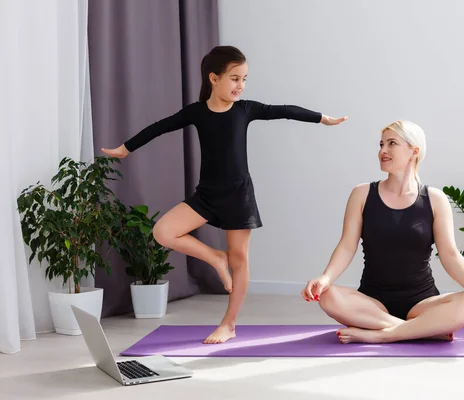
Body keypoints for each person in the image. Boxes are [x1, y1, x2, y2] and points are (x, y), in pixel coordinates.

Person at [102, 45, 347, 344]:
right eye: (234, 78)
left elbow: (284, 111)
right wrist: (125, 149)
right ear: (214, 78)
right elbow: (160, 127)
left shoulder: (245, 109)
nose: (240, 85)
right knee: (163, 232)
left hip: (237, 195)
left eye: (244, 79)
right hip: (206, 194)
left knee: (240, 260)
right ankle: (216, 258)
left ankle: (229, 324)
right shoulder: (197, 112)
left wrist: (322, 118)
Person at [301, 120, 464, 344]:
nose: (382, 151)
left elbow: (450, 254)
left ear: (414, 151)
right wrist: (325, 277)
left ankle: (381, 335)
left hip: (422, 303)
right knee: (328, 296)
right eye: (381, 144)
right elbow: (347, 245)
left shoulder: (435, 199)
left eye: (392, 143)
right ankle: (422, 330)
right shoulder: (362, 194)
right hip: (372, 302)